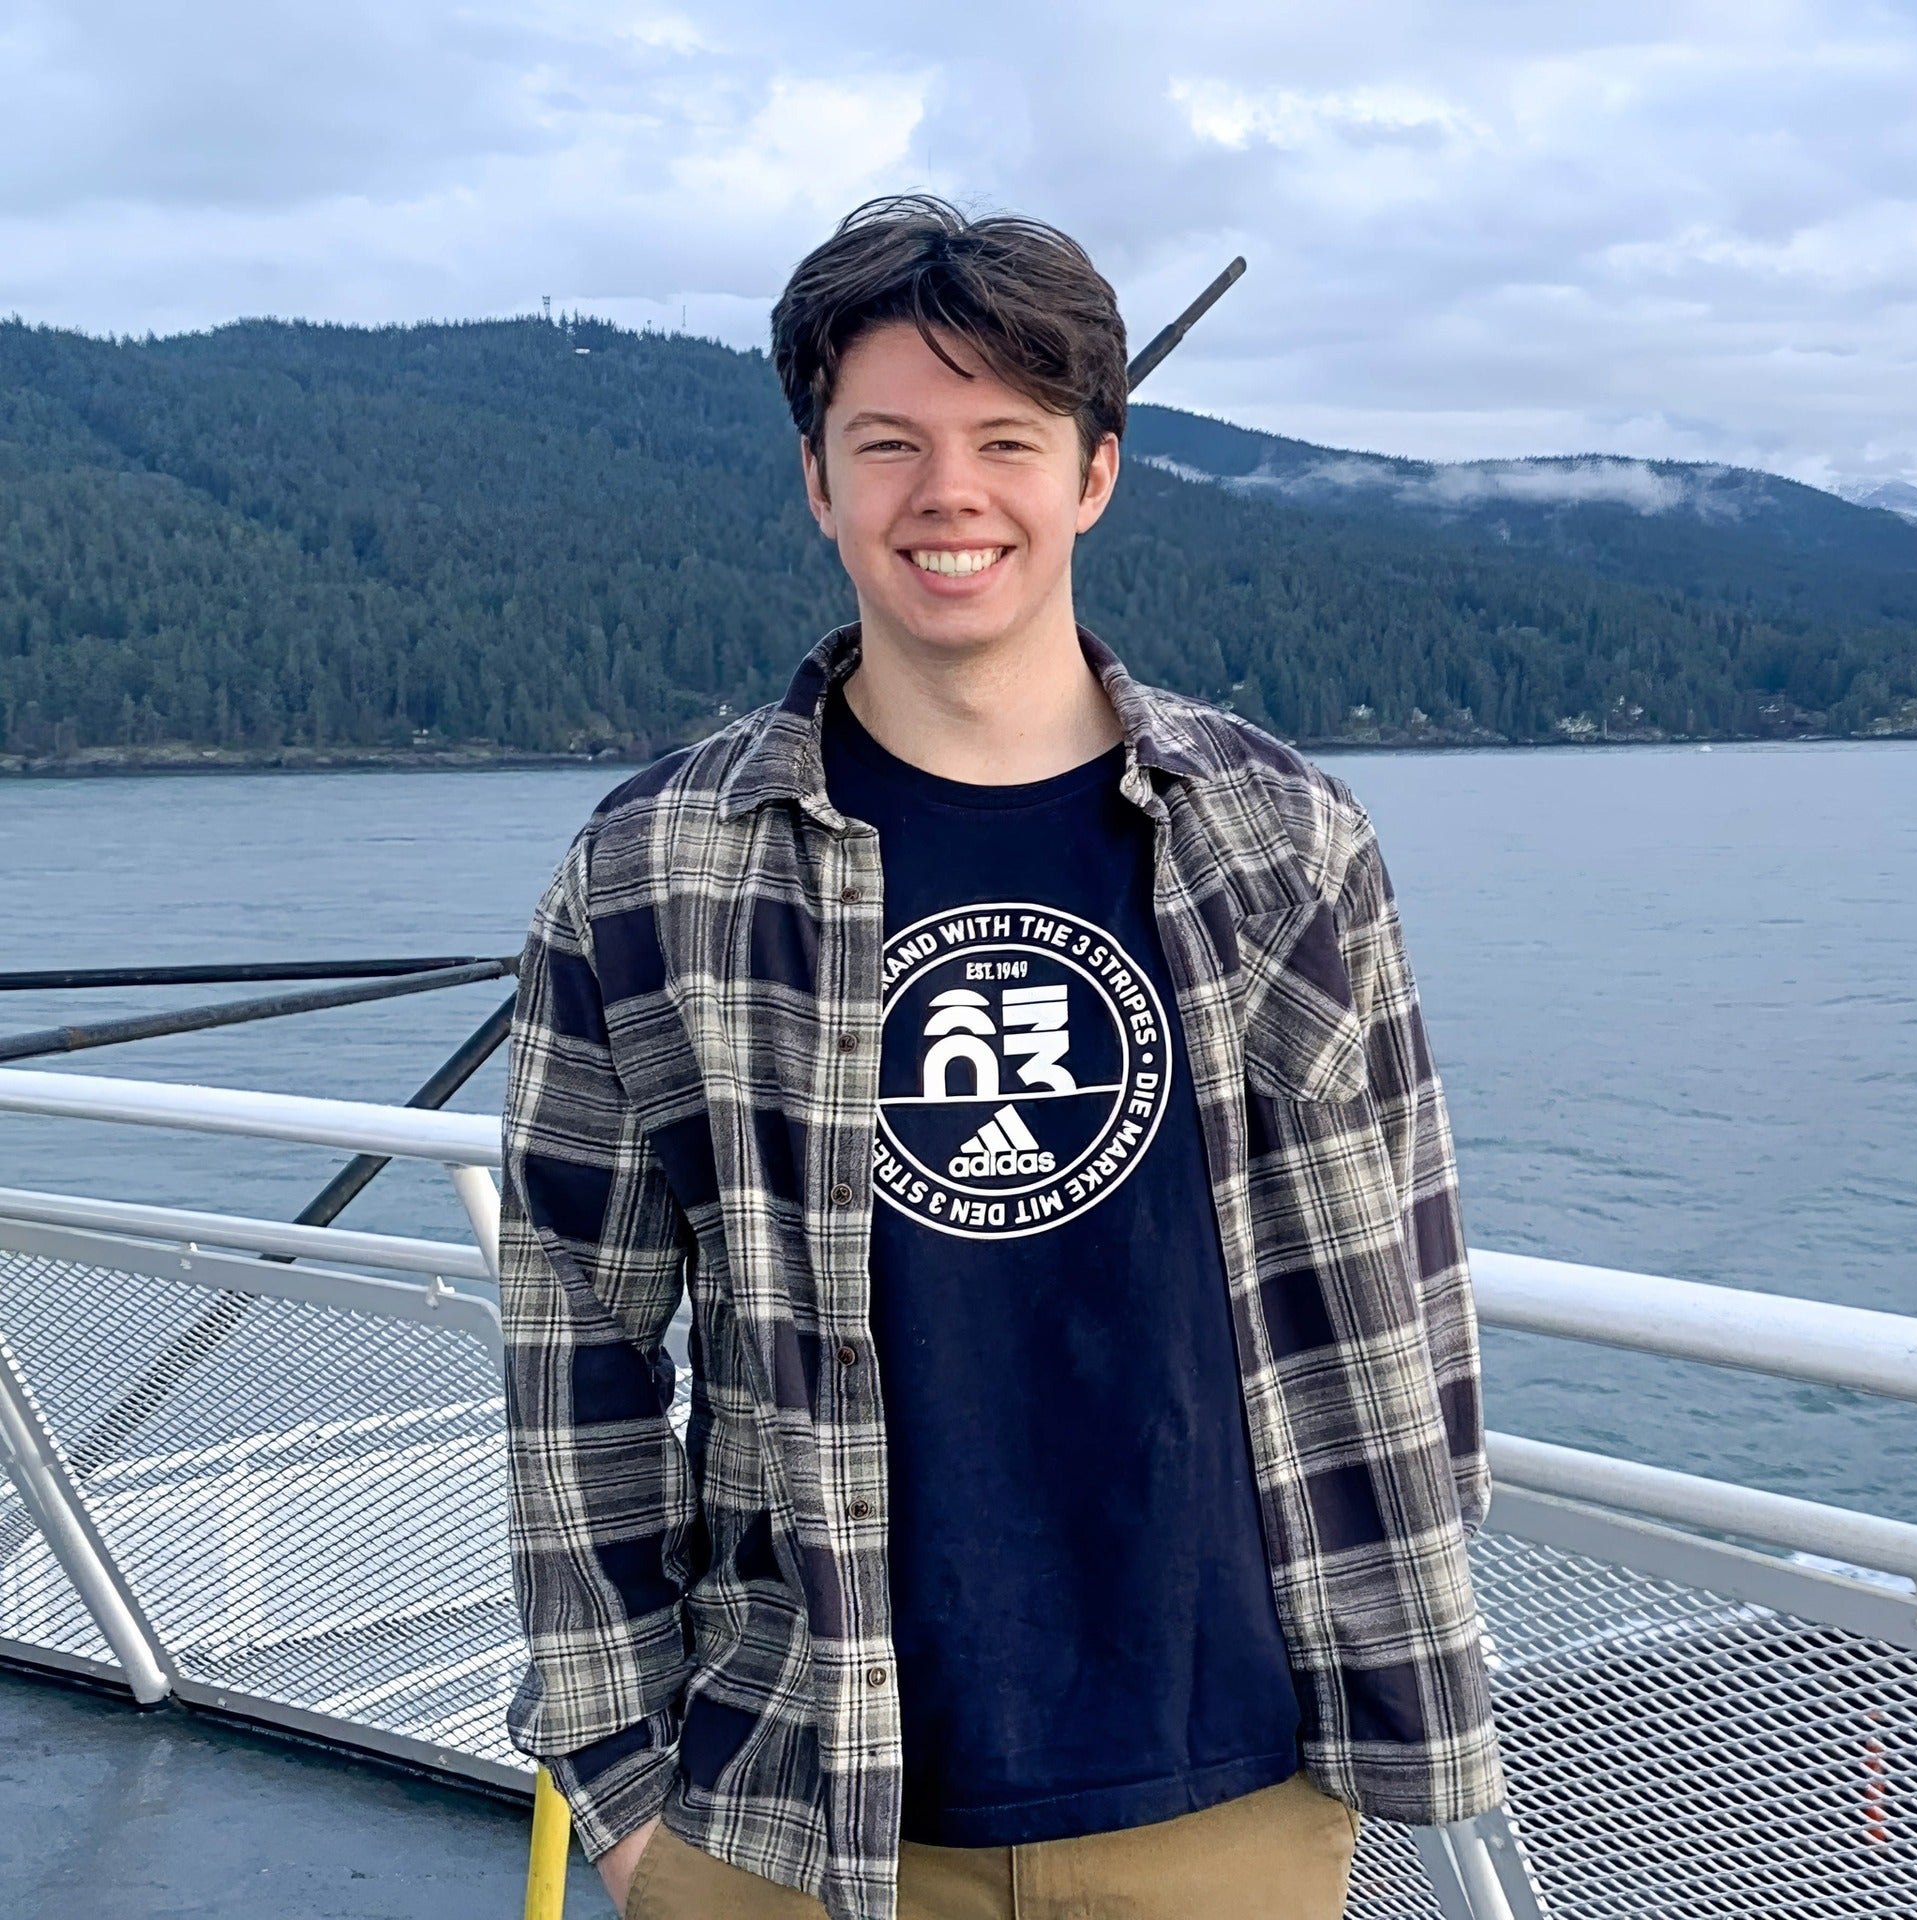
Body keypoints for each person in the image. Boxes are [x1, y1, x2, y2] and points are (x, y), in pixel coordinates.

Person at [499, 195, 1505, 1920]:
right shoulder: (658, 865)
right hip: (782, 1796)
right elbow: (572, 1339)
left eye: (1006, 441)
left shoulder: (1284, 837)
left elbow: (1405, 1292)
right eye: (886, 442)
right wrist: (625, 1786)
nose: (945, 493)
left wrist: (1377, 1673)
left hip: (1228, 1791)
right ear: (817, 482)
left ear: (1094, 473)